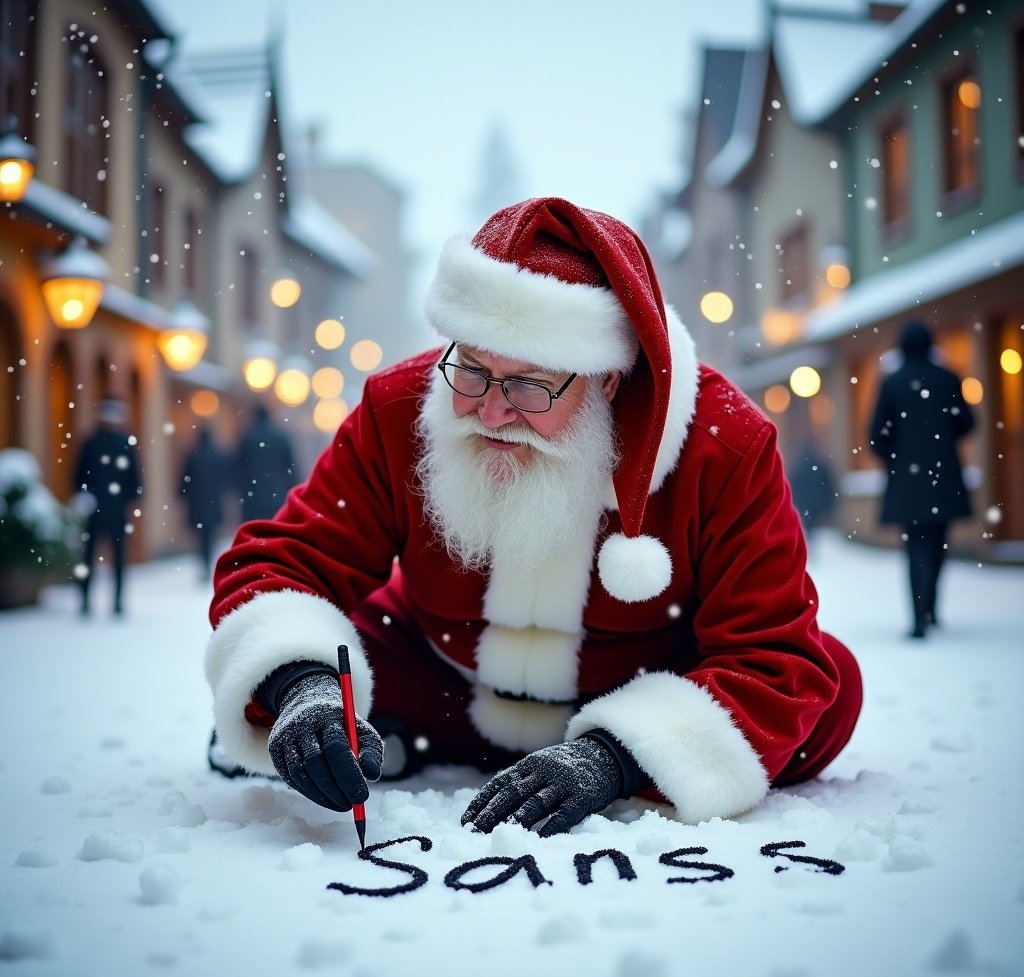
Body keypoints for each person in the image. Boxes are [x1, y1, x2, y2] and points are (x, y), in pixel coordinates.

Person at [205, 197, 863, 835]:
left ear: (608, 377)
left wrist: (617, 756)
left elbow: (770, 651)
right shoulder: (398, 408)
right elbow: (283, 559)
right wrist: (298, 682)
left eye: (529, 384)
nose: (491, 411)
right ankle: (340, 733)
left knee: (828, 686)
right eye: (473, 368)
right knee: (306, 658)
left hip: (633, 691)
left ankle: (608, 752)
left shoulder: (723, 445)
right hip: (441, 685)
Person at [869, 320, 976, 638]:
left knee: (915, 546)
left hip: (908, 480)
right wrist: (942, 444)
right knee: (939, 542)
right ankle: (929, 608)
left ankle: (919, 617)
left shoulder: (892, 383)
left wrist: (898, 460)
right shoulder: (948, 379)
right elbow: (968, 423)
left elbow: (876, 435)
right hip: (943, 475)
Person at [73, 397, 142, 616]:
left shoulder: (123, 442)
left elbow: (134, 478)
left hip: (115, 508)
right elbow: (79, 474)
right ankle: (85, 599)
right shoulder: (92, 442)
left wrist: (130, 500)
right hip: (97, 507)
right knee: (90, 555)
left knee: (116, 556)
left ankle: (117, 601)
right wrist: (83, 494)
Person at [179, 426, 230, 579]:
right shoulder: (218, 456)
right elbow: (226, 480)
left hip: (198, 503)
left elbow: (184, 481)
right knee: (210, 535)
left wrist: (183, 496)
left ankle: (204, 563)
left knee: (201, 536)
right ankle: (208, 563)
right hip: (213, 502)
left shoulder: (193, 456)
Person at [234, 404, 296, 523]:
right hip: (277, 496)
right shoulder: (281, 438)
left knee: (255, 534)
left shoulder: (247, 438)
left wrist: (242, 491)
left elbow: (239, 469)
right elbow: (290, 469)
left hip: (253, 499)